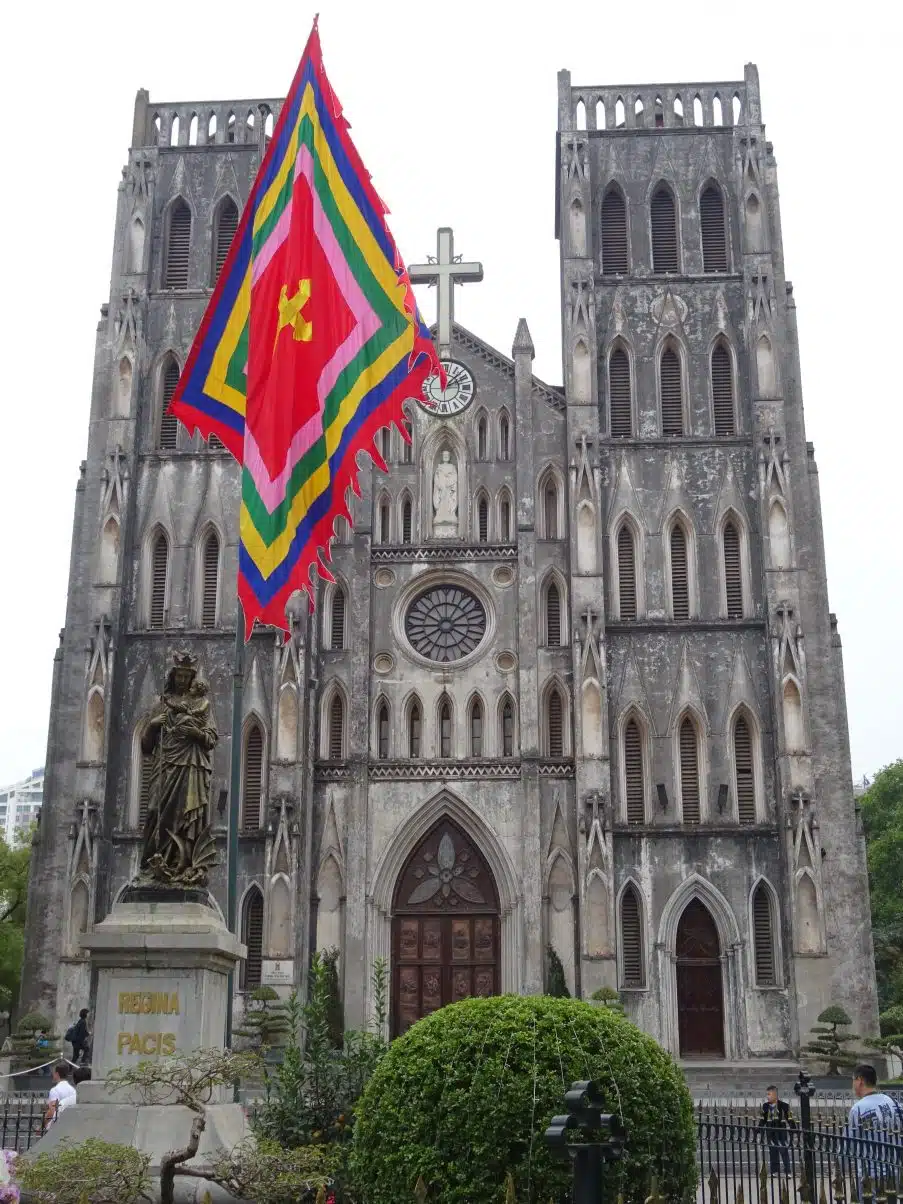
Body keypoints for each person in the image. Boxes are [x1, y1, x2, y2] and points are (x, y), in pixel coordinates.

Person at [848, 1063, 902, 1191]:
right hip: (895, 1170)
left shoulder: (858, 1109)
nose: (853, 1085)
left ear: (860, 1080)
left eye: (853, 1080)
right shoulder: (893, 1103)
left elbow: (849, 1144)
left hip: (871, 1174)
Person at [760, 1084, 796, 1177]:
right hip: (770, 1132)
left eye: (769, 1094)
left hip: (781, 1132)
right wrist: (759, 1129)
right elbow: (763, 1119)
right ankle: (774, 1171)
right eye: (767, 1094)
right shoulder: (765, 1106)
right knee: (773, 1152)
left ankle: (787, 1171)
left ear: (775, 1095)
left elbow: (789, 1118)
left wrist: (793, 1128)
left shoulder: (784, 1106)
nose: (767, 1096)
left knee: (783, 1151)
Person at [43, 1062, 77, 1130]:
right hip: (70, 1123)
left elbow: (52, 1110)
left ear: (57, 1074)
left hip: (57, 1125)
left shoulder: (55, 1090)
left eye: (53, 1073)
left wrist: (43, 1125)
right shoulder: (73, 1090)